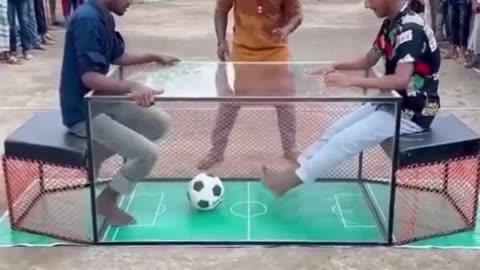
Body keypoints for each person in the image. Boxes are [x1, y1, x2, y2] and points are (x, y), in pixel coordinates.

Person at [262, 0, 441, 196]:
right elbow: (368, 60)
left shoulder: (410, 29)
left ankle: (286, 183)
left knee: (344, 141)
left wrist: (350, 81)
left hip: (412, 113)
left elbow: (400, 80)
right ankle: (291, 173)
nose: (366, 5)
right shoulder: (392, 23)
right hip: (391, 103)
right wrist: (335, 65)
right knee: (335, 130)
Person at [59, 0, 180, 226]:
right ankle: (106, 201)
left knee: (159, 123)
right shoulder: (86, 19)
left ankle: (96, 155)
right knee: (147, 153)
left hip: (99, 99)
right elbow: (90, 78)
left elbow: (118, 56)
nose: (132, 2)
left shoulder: (104, 15)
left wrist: (154, 55)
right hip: (82, 111)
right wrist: (133, 87)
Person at [197, 0, 303, 170]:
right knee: (230, 101)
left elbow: (297, 15)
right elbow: (221, 10)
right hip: (243, 51)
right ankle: (216, 151)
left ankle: (290, 148)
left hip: (276, 50)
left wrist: (286, 29)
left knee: (285, 101)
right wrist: (221, 41)